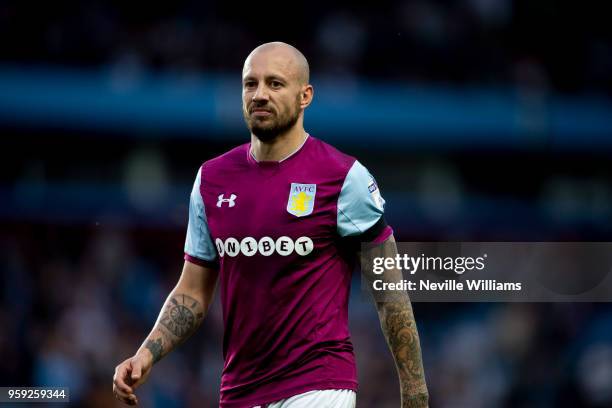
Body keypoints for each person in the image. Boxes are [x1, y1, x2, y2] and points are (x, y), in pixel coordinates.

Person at [113, 41, 429, 408]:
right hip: (239, 391)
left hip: (319, 386)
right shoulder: (212, 180)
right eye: (251, 84)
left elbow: (389, 290)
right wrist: (146, 354)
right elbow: (193, 292)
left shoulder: (344, 178)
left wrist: (415, 393)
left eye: (275, 84)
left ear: (305, 95)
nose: (260, 94)